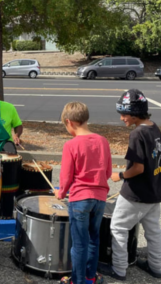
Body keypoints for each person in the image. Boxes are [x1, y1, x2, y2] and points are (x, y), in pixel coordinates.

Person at [98, 89, 161, 281]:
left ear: (135, 113)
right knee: (153, 230)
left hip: (137, 192)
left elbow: (138, 168)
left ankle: (119, 270)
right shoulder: (154, 128)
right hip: (155, 190)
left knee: (118, 227)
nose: (121, 118)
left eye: (124, 114)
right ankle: (155, 267)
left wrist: (120, 175)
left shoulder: (137, 134)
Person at [55, 102, 112, 284]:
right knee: (94, 239)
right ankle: (90, 277)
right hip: (100, 199)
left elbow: (66, 176)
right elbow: (108, 172)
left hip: (80, 199)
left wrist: (61, 193)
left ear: (69, 122)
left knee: (79, 244)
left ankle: (77, 281)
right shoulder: (103, 141)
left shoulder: (71, 145)